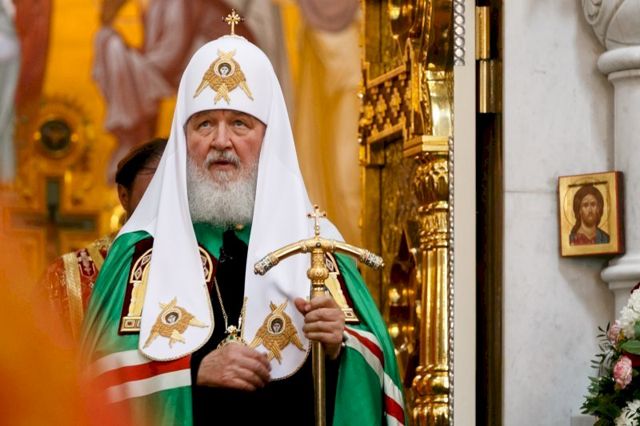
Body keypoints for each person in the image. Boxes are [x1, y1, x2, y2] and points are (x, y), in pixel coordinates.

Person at [81, 29, 405, 426]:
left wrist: (338, 347)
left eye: (239, 124)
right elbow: (98, 379)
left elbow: (375, 371)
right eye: (204, 124)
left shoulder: (315, 248)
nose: (221, 141)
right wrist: (193, 372)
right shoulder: (141, 250)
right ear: (184, 140)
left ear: (269, 139)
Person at [41, 138, 167, 339]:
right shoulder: (66, 278)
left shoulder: (206, 266)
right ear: (124, 196)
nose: (166, 208)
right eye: (153, 198)